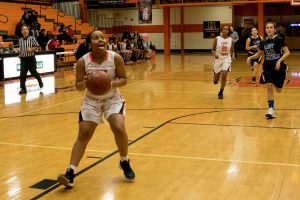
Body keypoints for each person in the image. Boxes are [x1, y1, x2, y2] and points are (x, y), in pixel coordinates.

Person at [57, 30, 135, 188]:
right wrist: (89, 82)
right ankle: (70, 172)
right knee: (84, 133)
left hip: (112, 98)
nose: (101, 39)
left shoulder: (115, 57)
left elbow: (124, 80)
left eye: (102, 37)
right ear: (89, 44)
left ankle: (124, 161)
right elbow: (79, 87)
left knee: (118, 127)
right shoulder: (82, 62)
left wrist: (109, 83)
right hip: (91, 100)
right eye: (96, 38)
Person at [247, 22, 290, 119]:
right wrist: (250, 58)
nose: (269, 29)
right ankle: (271, 110)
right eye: (267, 28)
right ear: (265, 30)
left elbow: (287, 52)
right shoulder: (264, 42)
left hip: (278, 67)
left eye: (271, 28)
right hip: (267, 67)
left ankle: (284, 76)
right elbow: (259, 54)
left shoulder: (279, 39)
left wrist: (279, 61)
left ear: (274, 29)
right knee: (269, 86)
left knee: (278, 90)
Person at [18, 25, 44, 94]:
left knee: (34, 73)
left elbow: (38, 46)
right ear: (21, 31)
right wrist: (20, 54)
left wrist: (31, 49)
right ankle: (23, 88)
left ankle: (39, 80)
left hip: (31, 58)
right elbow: (21, 48)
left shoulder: (32, 38)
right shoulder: (20, 40)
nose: (25, 31)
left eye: (26, 29)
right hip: (23, 59)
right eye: (23, 29)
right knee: (22, 74)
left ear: (28, 31)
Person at [212, 25, 235, 99]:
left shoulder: (231, 40)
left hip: (227, 58)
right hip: (218, 59)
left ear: (229, 31)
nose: (225, 30)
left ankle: (221, 91)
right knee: (216, 80)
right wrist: (215, 55)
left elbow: (232, 50)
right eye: (224, 29)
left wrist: (233, 56)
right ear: (221, 30)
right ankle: (215, 78)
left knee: (224, 74)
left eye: (227, 29)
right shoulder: (217, 39)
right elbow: (213, 49)